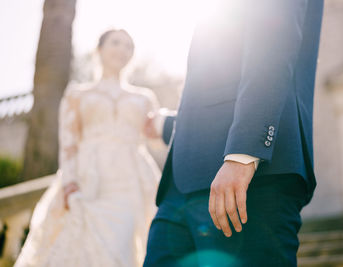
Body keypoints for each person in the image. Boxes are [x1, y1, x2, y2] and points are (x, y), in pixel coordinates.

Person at [143, 1, 324, 266]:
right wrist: (167, 125)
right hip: (179, 188)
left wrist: (244, 153)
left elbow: (273, 36)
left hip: (250, 177)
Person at [15, 29, 161, 267]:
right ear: (99, 49)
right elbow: (69, 142)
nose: (122, 50)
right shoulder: (78, 94)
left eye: (129, 46)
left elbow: (155, 141)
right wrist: (70, 182)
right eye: (116, 43)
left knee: (121, 245)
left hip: (128, 180)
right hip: (89, 177)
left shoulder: (145, 98)